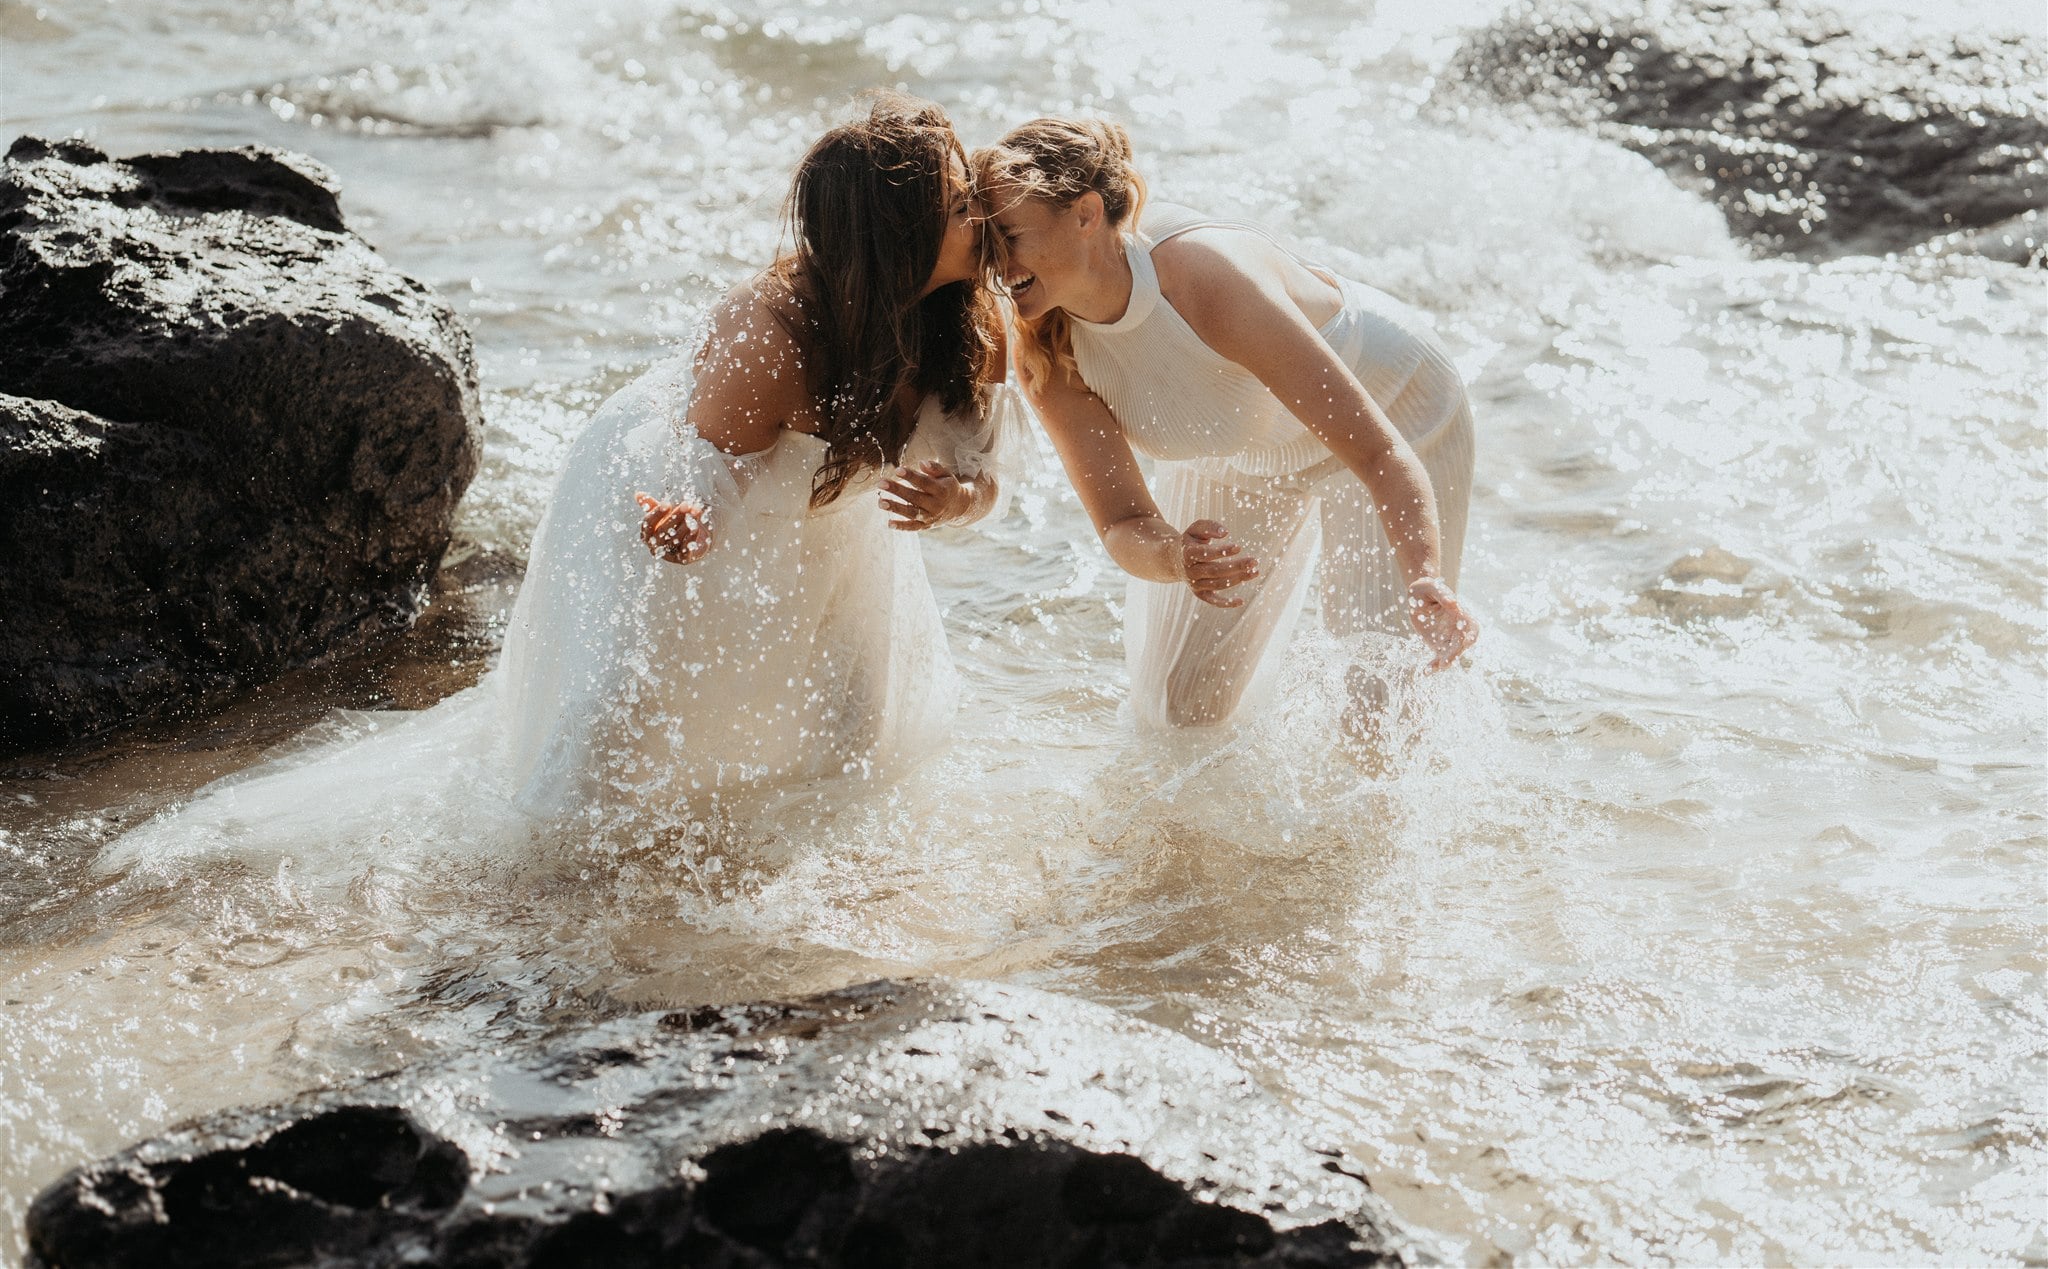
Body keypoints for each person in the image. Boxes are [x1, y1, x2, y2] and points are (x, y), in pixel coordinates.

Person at [106, 93, 1019, 875]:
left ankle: (832, 870)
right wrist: (686, 521)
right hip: (676, 483)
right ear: (892, 237)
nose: (982, 209)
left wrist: (955, 501)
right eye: (955, 202)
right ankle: (551, 864)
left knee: (856, 729)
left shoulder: (973, 325)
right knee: (631, 704)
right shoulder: (771, 338)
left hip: (836, 514)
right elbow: (701, 475)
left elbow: (985, 478)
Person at [971, 118, 1477, 731]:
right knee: (1177, 711)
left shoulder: (1206, 278)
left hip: (1395, 415)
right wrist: (1177, 558)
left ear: (1085, 214)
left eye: (1009, 236)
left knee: (1378, 716)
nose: (994, 263)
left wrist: (1422, 575)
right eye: (985, 240)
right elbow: (1124, 522)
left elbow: (1380, 455)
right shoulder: (1047, 351)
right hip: (1237, 440)